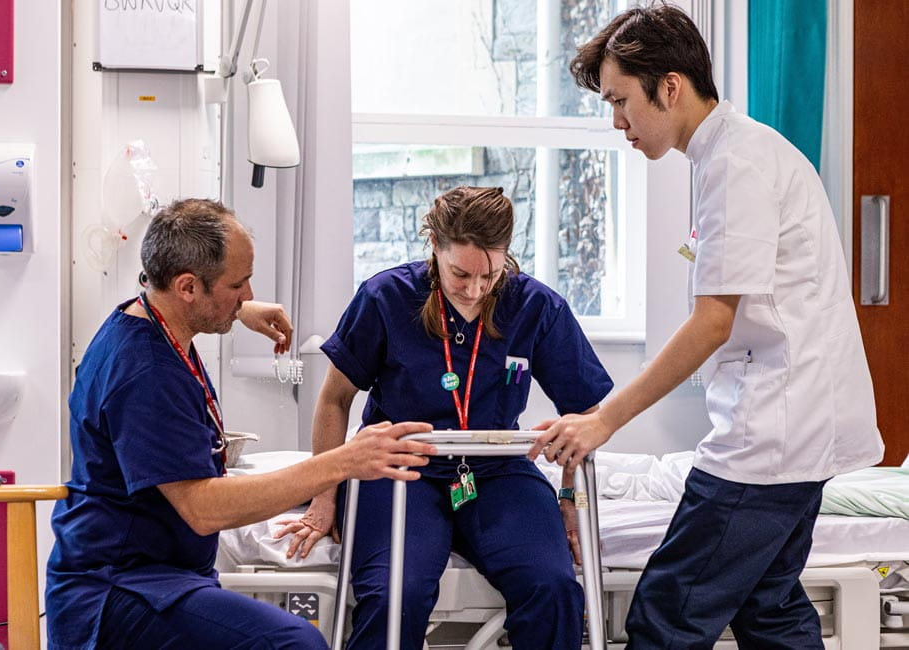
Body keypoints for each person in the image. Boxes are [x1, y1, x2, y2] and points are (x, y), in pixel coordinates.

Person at [528, 4, 885, 649]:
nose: (617, 123)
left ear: (669, 85)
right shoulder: (730, 153)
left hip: (776, 434)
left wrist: (603, 420)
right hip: (795, 424)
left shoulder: (736, 165)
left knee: (666, 616)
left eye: (620, 101)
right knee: (769, 609)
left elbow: (711, 324)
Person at [45, 198, 437, 650]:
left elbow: (156, 281)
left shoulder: (150, 317)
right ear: (188, 287)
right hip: (117, 590)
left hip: (156, 574)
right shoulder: (146, 373)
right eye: (239, 284)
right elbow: (205, 509)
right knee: (294, 643)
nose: (249, 294)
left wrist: (233, 310)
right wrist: (342, 462)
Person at [276, 186, 614, 649]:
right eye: (460, 274)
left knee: (553, 587)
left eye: (489, 275)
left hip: (497, 471)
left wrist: (571, 496)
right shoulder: (385, 298)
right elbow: (334, 399)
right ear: (434, 247)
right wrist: (323, 497)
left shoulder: (536, 306)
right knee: (396, 594)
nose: (475, 290)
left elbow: (585, 414)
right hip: (398, 468)